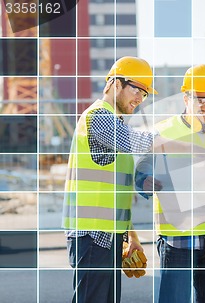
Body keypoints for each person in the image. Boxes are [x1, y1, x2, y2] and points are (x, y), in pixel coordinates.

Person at [135, 64, 205, 303]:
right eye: (200, 99)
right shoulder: (163, 131)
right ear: (185, 98)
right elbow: (141, 171)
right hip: (176, 240)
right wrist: (146, 181)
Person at [62, 56, 158, 303]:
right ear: (115, 84)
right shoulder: (98, 117)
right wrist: (184, 143)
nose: (139, 98)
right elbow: (144, 141)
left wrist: (131, 236)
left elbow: (114, 192)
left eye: (145, 94)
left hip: (109, 235)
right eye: (137, 89)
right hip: (92, 234)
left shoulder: (114, 124)